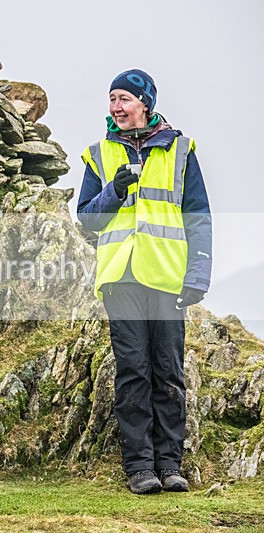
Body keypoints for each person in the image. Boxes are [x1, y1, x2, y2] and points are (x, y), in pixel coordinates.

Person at [77, 69, 212, 495]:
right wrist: (112, 192)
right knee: (133, 371)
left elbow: (198, 218)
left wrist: (198, 274)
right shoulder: (98, 154)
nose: (116, 107)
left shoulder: (182, 150)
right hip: (120, 277)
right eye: (112, 99)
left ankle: (170, 465)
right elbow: (86, 221)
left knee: (168, 372)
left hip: (168, 277)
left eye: (124, 99)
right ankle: (139, 468)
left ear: (145, 104)